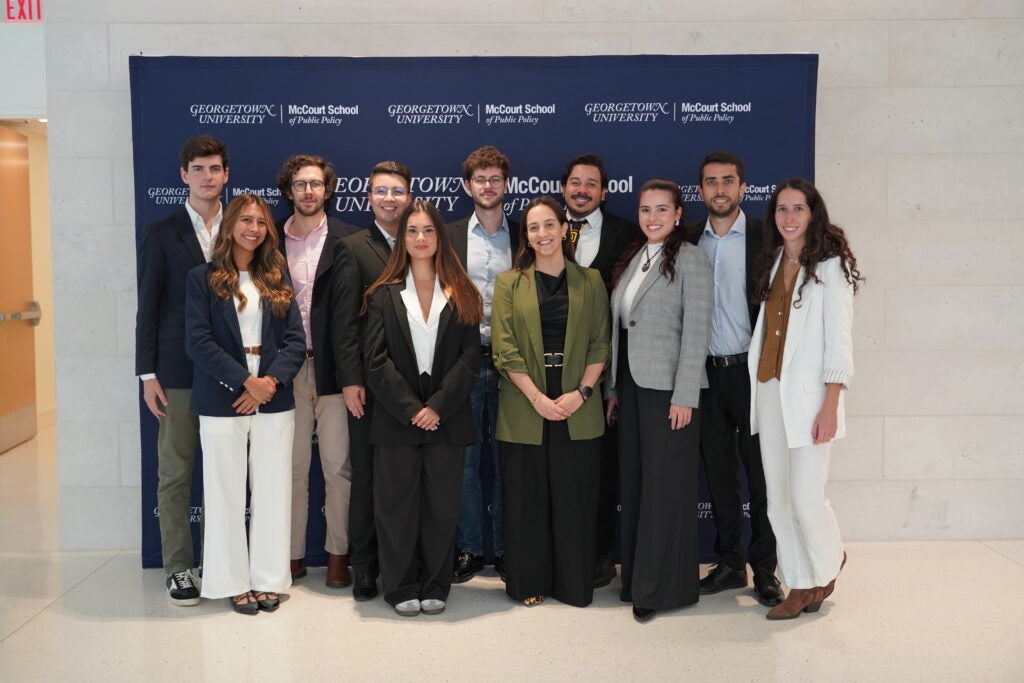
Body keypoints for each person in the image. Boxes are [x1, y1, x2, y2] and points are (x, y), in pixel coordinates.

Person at [184, 194, 306, 614]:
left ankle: (268, 580)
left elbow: (296, 341)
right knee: (224, 494)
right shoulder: (202, 278)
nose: (253, 229)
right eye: (246, 220)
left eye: (260, 222)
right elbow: (198, 342)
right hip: (222, 397)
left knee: (274, 490)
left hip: (274, 396)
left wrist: (268, 383)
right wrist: (245, 382)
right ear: (231, 225)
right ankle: (232, 582)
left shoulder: (276, 276)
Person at [748, 178, 863, 620]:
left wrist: (830, 404)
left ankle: (828, 560)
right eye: (782, 209)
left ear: (813, 214)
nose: (789, 217)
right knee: (778, 501)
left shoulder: (831, 267)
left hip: (810, 399)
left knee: (806, 497)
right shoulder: (775, 260)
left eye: (798, 208)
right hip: (768, 392)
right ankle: (799, 583)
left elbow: (839, 342)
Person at [362, 200, 482, 616]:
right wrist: (413, 408)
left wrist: (438, 407)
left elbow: (470, 359)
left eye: (428, 230)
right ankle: (400, 587)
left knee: (441, 508)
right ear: (402, 238)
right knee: (396, 508)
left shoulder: (464, 292)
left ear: (440, 237)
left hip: (446, 419)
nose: (420, 238)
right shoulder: (382, 294)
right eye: (412, 230)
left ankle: (435, 584)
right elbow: (375, 361)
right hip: (397, 419)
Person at [491, 196, 610, 608]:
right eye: (532, 228)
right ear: (526, 237)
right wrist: (537, 398)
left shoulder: (591, 280)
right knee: (527, 497)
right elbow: (504, 350)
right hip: (525, 399)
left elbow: (600, 344)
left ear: (564, 229)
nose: (541, 234)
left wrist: (582, 393)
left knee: (575, 496)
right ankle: (529, 583)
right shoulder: (509, 283)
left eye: (548, 225)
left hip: (578, 398)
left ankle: (573, 584)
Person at [604, 179, 713, 622]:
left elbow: (697, 331)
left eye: (661, 210)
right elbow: (621, 327)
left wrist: (685, 394)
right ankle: (636, 579)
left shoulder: (692, 258)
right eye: (646, 210)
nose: (652, 218)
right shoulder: (635, 257)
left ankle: (661, 590)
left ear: (678, 214)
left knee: (664, 487)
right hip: (631, 388)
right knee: (636, 483)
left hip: (669, 391)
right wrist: (613, 390)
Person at [136, 134, 229, 606]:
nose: (207, 177)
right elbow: (148, 306)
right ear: (183, 175)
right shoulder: (161, 232)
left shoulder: (244, 227)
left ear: (226, 174)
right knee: (175, 473)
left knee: (224, 474)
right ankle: (178, 567)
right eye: (198, 169)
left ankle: (218, 563)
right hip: (176, 372)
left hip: (232, 372)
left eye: (214, 169)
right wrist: (146, 374)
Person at [687, 152, 783, 607]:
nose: (720, 189)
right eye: (711, 182)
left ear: (743, 188)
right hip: (705, 374)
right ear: (700, 191)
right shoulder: (688, 240)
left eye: (728, 181)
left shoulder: (768, 237)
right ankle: (730, 564)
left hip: (753, 374)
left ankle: (765, 569)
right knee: (719, 474)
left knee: (761, 476)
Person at [275, 154, 361, 587]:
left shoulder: (350, 238)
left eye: (315, 184)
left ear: (328, 190)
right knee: (291, 469)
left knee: (337, 468)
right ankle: (291, 557)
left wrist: (353, 376)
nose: (308, 191)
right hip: (285, 371)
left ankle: (338, 556)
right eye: (300, 184)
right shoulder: (269, 239)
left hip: (334, 371)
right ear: (289, 190)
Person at [331, 160, 413, 600]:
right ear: (368, 198)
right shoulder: (352, 247)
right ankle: (364, 566)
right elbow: (343, 321)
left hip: (414, 384)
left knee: (405, 478)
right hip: (368, 386)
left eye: (397, 191)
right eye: (381, 191)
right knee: (365, 475)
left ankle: (405, 561)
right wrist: (350, 380)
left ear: (409, 197)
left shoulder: (423, 241)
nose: (389, 199)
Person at [560, 153, 640, 587]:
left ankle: (599, 555)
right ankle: (558, 552)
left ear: (604, 193)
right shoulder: (541, 230)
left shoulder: (628, 234)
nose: (582, 190)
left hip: (605, 371)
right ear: (564, 188)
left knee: (603, 468)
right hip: (549, 369)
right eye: (576, 182)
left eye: (591, 184)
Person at [446, 146, 519, 583]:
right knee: (466, 463)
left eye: (495, 179)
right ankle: (470, 549)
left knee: (510, 461)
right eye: (480, 180)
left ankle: (510, 549)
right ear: (467, 185)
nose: (488, 186)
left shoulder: (527, 235)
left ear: (506, 184)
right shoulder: (449, 234)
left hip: (514, 365)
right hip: (465, 363)